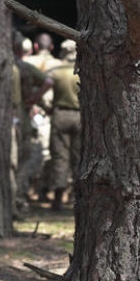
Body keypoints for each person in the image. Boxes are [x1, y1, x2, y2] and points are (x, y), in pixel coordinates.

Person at [13, 35, 53, 212]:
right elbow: (48, 82)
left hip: (7, 117)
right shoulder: (25, 67)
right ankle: (19, 199)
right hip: (22, 117)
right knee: (22, 160)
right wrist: (32, 100)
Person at [46, 39, 80, 211]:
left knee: (60, 156)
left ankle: (58, 198)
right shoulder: (84, 70)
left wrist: (46, 108)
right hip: (81, 116)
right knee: (79, 156)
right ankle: (77, 196)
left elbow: (43, 92)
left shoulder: (55, 72)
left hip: (60, 114)